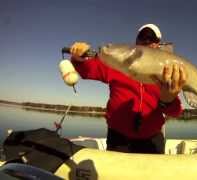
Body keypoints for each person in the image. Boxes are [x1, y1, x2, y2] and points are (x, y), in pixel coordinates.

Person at [70, 24, 187, 154]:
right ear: (136, 41)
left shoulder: (166, 73)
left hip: (152, 139)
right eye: (143, 37)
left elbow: (176, 112)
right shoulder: (116, 62)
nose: (147, 42)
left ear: (158, 44)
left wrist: (168, 100)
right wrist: (78, 58)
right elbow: (88, 70)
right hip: (118, 139)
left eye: (152, 39)